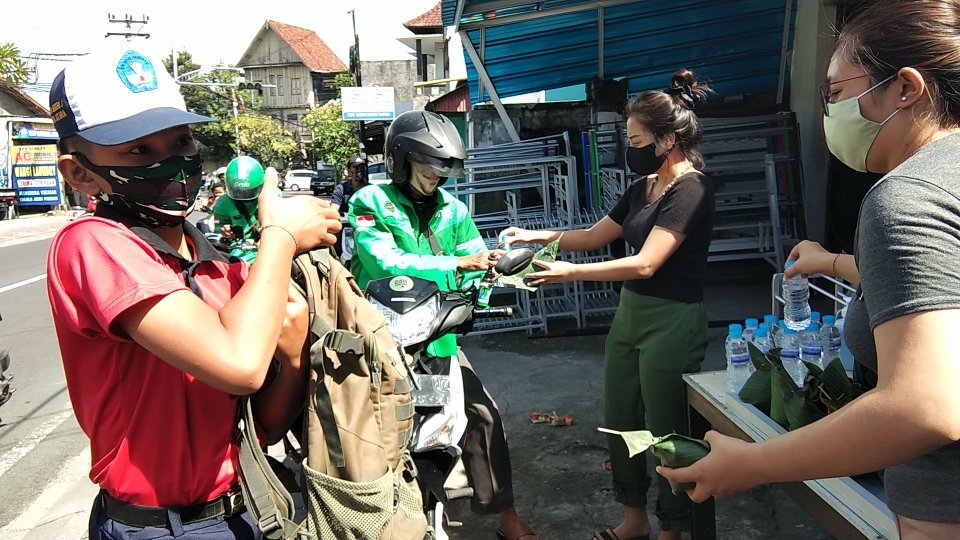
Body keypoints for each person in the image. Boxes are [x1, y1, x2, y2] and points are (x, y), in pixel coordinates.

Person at [659, 2, 960, 538]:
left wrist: (752, 463)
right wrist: (838, 263)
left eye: (837, 94)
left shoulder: (909, 197)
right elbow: (942, 291)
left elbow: (923, 406)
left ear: (906, 88)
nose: (829, 114)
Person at [45, 47, 340, 540]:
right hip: (159, 526)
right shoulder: (92, 244)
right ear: (80, 172)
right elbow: (240, 363)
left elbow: (258, 423)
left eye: (181, 142)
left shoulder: (214, 261)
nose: (174, 165)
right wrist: (281, 237)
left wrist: (290, 357)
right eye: (138, 151)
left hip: (246, 506)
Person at [502, 70, 715, 540]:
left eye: (636, 139)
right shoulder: (643, 188)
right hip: (631, 316)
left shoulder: (692, 189)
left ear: (667, 139)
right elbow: (597, 235)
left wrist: (568, 272)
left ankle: (673, 528)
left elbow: (645, 264)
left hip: (672, 319)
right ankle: (634, 519)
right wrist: (535, 235)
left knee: (665, 429)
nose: (630, 147)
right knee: (620, 420)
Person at [348, 110, 540, 540]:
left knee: (483, 415)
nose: (438, 177)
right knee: (366, 428)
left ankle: (506, 518)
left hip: (438, 338)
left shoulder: (454, 210)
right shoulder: (369, 203)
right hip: (380, 341)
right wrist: (457, 264)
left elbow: (475, 259)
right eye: (429, 167)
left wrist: (492, 273)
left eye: (444, 169)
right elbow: (385, 263)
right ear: (400, 159)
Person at [213, 156, 268, 264]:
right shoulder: (221, 205)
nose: (243, 196)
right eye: (237, 191)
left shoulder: (273, 197)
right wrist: (223, 230)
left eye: (250, 191)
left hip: (270, 250)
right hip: (238, 254)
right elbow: (218, 228)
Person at [330, 155, 368, 260]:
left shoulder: (370, 189)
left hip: (365, 228)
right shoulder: (341, 189)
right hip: (344, 228)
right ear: (349, 171)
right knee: (334, 247)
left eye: (362, 168)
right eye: (356, 168)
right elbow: (333, 210)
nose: (360, 171)